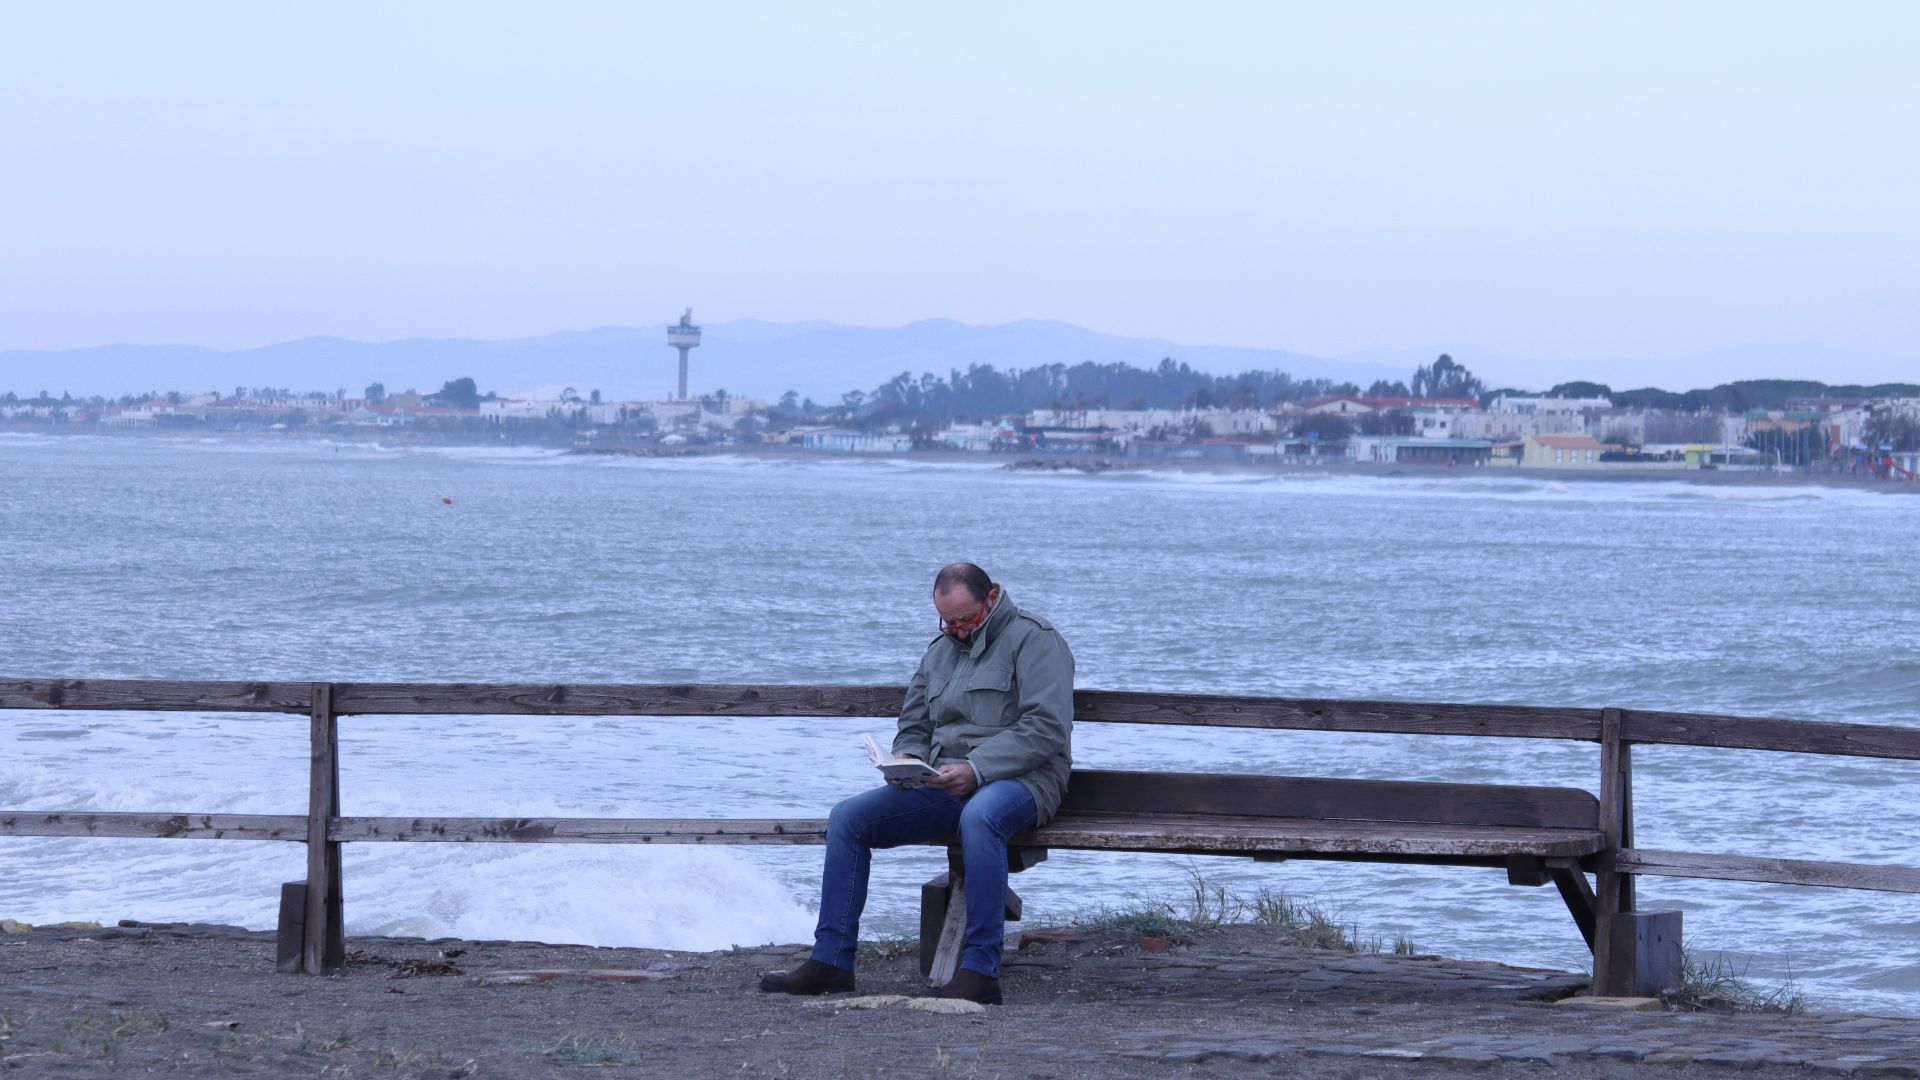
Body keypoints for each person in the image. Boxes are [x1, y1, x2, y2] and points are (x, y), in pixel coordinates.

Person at [759, 562, 1074, 1006]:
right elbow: (914, 724)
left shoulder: (1037, 640)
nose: (958, 631)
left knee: (981, 817)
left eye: (966, 620)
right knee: (848, 818)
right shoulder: (939, 650)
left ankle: (980, 971)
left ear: (991, 599)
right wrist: (907, 761)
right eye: (947, 621)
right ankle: (831, 961)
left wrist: (978, 768)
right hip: (944, 782)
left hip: (1025, 781)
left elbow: (1047, 728)